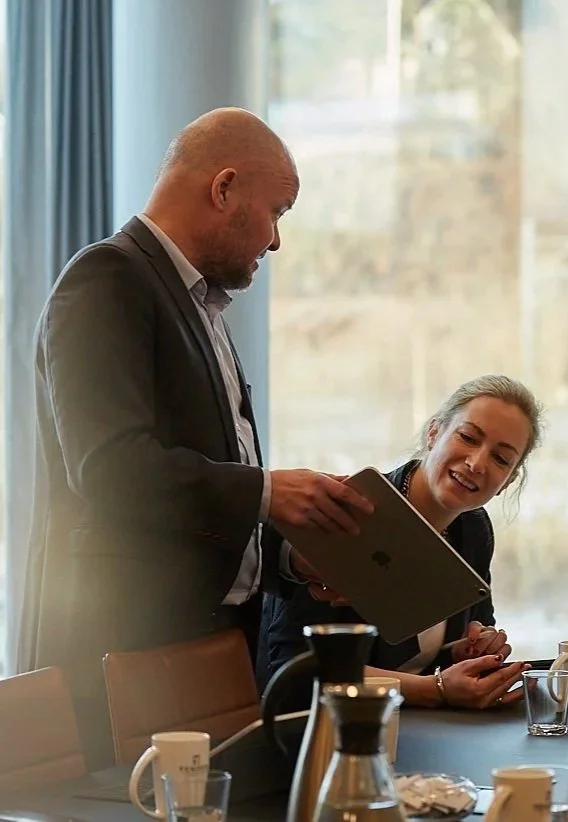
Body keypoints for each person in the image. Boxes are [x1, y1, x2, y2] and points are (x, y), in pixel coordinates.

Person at [18, 107, 373, 767]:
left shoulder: (199, 307)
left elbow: (201, 506)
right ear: (223, 189)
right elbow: (111, 471)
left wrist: (291, 560)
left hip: (206, 661)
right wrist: (267, 491)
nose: (275, 242)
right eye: (278, 212)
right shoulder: (105, 282)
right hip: (122, 667)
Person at [260, 375, 544, 711]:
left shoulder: (474, 528)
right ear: (434, 432)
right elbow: (299, 670)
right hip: (322, 734)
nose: (477, 463)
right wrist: (435, 689)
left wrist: (468, 651)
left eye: (501, 459)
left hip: (414, 730)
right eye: (468, 437)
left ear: (508, 481)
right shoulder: (353, 513)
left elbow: (412, 657)